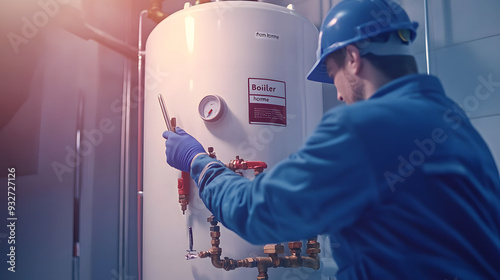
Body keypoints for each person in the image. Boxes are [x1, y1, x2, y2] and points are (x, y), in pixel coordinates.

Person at [163, 0, 500, 278]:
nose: (337, 96)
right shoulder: (455, 123)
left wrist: (200, 163)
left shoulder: (364, 126)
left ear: (353, 59)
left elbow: (256, 212)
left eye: (332, 74)